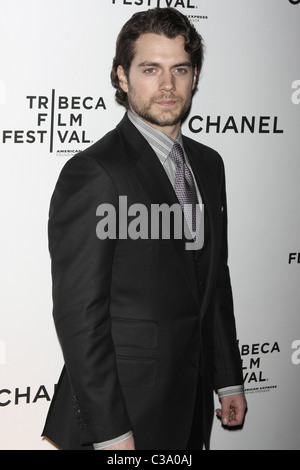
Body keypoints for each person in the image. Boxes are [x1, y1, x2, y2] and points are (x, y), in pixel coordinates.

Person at [42, 7, 247, 451]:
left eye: (181, 69)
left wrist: (228, 378)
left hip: (190, 404)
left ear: (194, 78)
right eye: (150, 69)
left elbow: (212, 281)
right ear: (122, 76)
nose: (168, 85)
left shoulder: (209, 165)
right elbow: (80, 318)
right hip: (124, 414)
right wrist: (110, 431)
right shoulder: (96, 173)